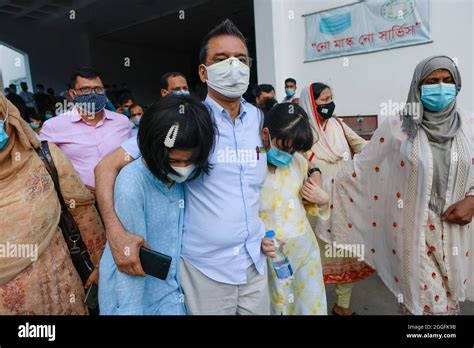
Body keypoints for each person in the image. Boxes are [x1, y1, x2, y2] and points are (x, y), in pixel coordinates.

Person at [95, 19, 272, 315]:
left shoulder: (258, 120)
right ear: (203, 72)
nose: (233, 66)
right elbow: (105, 167)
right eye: (221, 59)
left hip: (254, 263)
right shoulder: (183, 120)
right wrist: (116, 234)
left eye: (241, 60)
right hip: (206, 270)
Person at [325, 55, 474, 315]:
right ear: (417, 86)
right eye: (432, 81)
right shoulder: (398, 127)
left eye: (447, 81)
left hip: (455, 232)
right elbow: (362, 167)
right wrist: (320, 187)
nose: (440, 87)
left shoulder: (469, 126)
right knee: (429, 306)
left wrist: (473, 199)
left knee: (449, 306)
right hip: (412, 232)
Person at [99, 95, 215, 315]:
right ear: (155, 152)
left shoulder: (182, 179)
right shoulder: (132, 184)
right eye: (175, 161)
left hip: (170, 294)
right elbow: (130, 265)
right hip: (135, 300)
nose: (183, 168)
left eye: (190, 161)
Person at [0, 93, 105, 315]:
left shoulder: (43, 158)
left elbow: (84, 214)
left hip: (62, 298)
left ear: (7, 116)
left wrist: (100, 266)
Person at [300, 82, 374, 316]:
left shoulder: (339, 125)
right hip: (314, 207)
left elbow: (363, 147)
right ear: (311, 103)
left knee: (346, 253)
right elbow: (298, 162)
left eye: (331, 98)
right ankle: (315, 307)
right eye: (323, 100)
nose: (329, 104)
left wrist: (387, 144)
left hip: (343, 203)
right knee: (315, 260)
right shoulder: (302, 131)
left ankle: (343, 307)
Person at [259, 103, 329, 315]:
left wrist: (323, 199)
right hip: (269, 255)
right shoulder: (251, 166)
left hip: (304, 252)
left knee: (308, 306)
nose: (288, 155)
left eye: (294, 150)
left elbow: (307, 204)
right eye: (284, 147)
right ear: (266, 134)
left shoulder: (298, 163)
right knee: (277, 307)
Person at [39, 67, 131, 193]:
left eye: (98, 89)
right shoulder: (53, 126)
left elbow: (131, 157)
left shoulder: (122, 122)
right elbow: (43, 167)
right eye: (85, 89)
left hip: (120, 194)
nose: (93, 94)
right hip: (80, 202)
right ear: (73, 94)